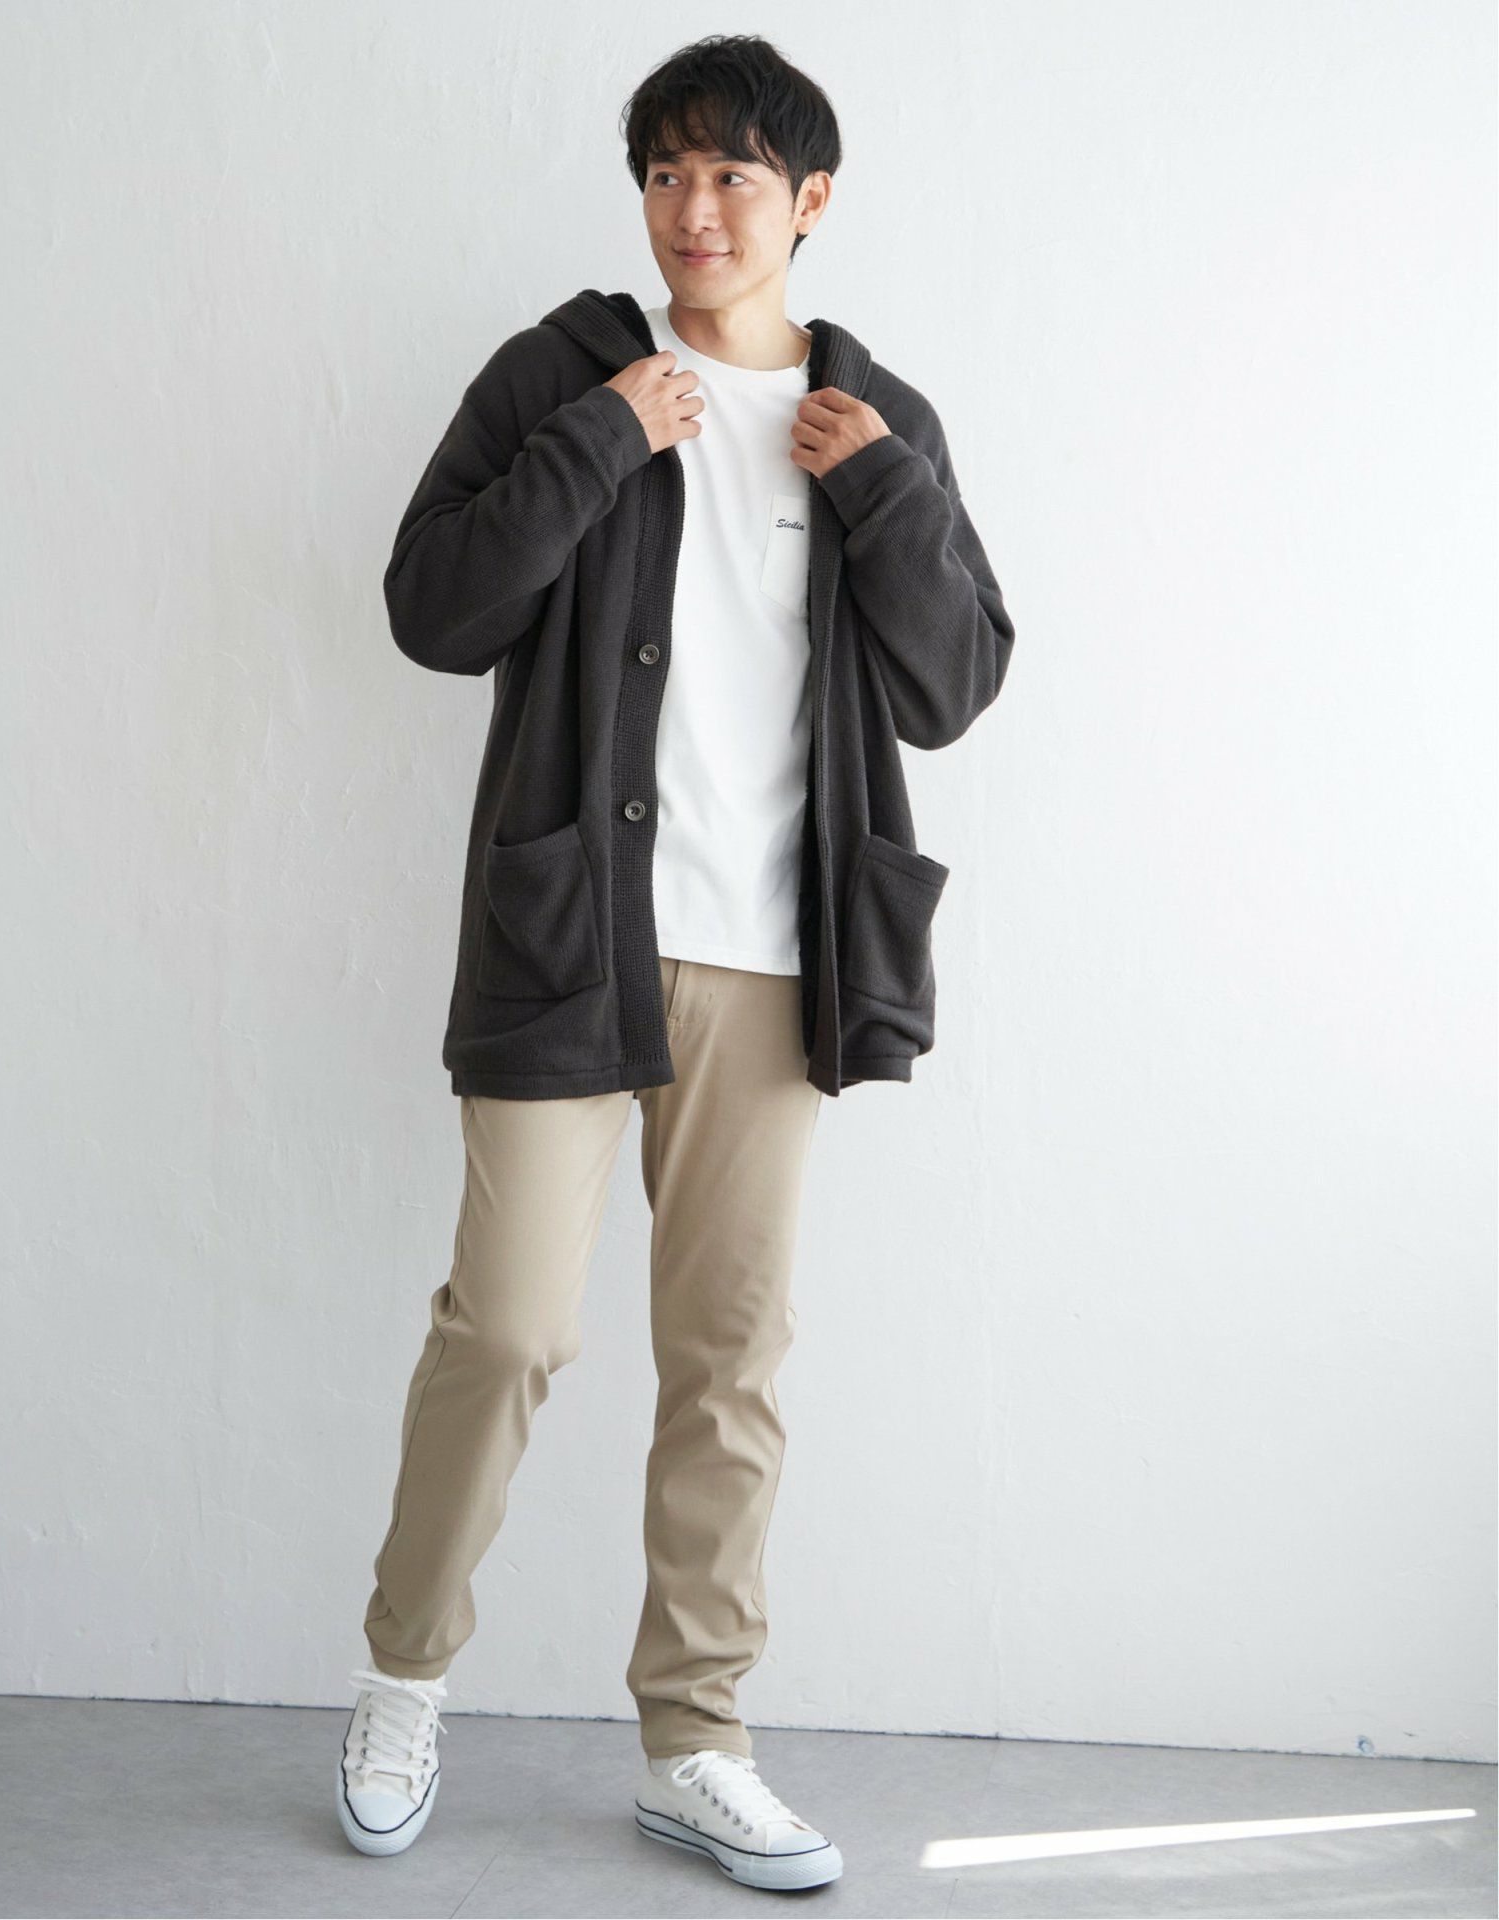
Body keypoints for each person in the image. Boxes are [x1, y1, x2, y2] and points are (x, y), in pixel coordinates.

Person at [335, 31, 1015, 1892]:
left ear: (811, 201)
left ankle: (696, 1740)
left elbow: (956, 685)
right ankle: (403, 1679)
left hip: (777, 960)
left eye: (732, 176)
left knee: (728, 1359)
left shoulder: (874, 415)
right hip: (574, 938)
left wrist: (886, 495)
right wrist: (599, 442)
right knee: (509, 1329)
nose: (693, 210)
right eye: (664, 174)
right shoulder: (565, 376)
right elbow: (432, 609)